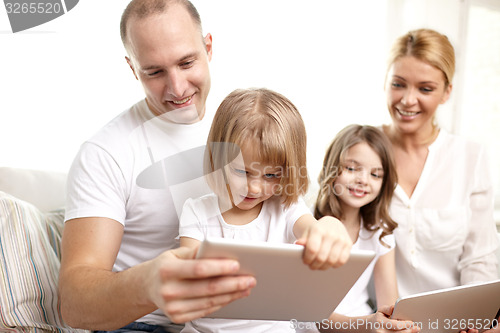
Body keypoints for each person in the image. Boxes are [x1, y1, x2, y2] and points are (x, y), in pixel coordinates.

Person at [58, 1, 259, 332]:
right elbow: (75, 304)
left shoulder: (245, 127)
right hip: (143, 325)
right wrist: (148, 284)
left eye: (186, 62)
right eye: (154, 72)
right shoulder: (105, 152)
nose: (177, 88)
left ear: (208, 47)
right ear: (133, 69)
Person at [177, 88, 353, 332]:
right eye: (242, 171)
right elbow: (189, 276)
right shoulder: (197, 212)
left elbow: (313, 230)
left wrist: (330, 226)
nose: (255, 187)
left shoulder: (286, 208)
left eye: (271, 175)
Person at [381, 28, 499, 332]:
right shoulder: (362, 153)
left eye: (425, 89)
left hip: (454, 325)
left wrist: (478, 318)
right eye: (398, 84)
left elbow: (479, 258)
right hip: (381, 324)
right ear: (386, 83)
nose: (408, 100)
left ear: (446, 92)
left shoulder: (470, 158)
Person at [314, 125, 418, 333]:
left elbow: (389, 306)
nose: (363, 180)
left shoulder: (380, 233)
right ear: (332, 168)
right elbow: (312, 317)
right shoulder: (306, 225)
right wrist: (367, 325)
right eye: (352, 168)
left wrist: (396, 326)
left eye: (376, 174)